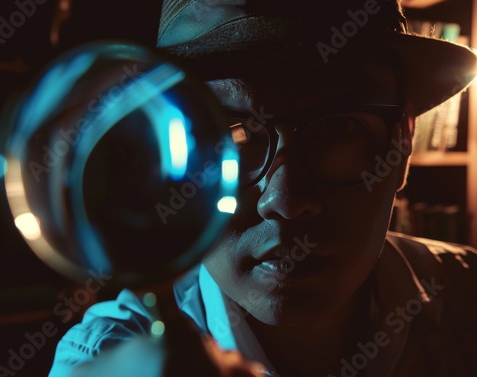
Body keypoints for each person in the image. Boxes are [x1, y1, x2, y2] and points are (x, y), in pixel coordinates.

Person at [48, 0, 477, 376]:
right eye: (228, 135)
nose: (287, 201)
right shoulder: (103, 355)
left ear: (403, 142)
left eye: (339, 129)